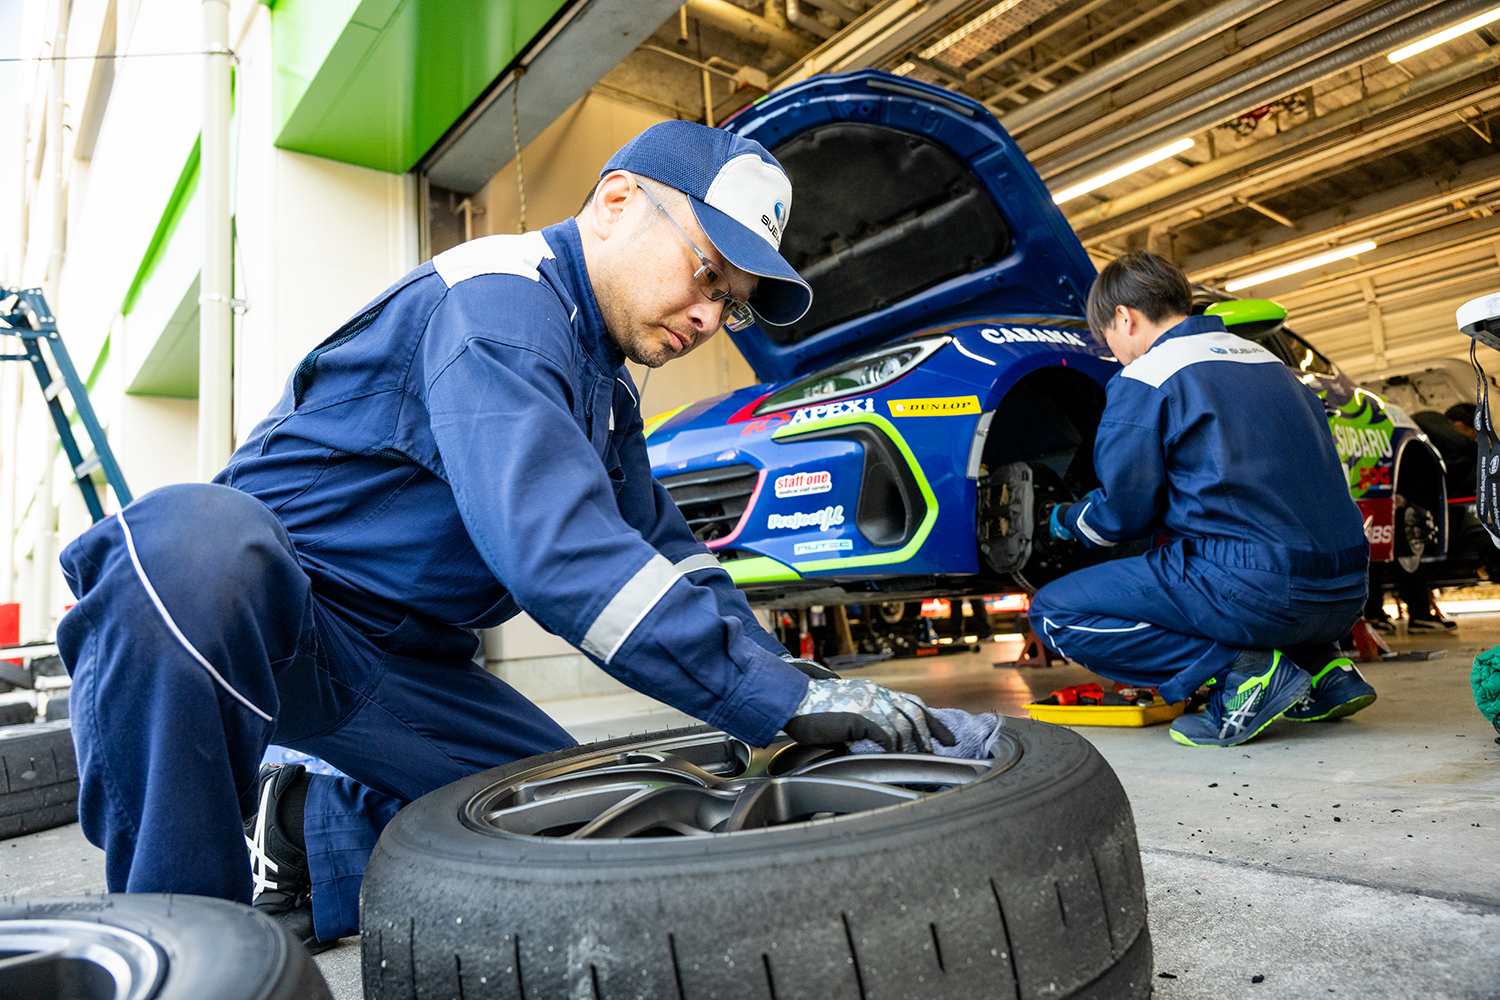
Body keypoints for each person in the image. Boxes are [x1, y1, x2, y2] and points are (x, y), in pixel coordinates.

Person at [56, 121, 952, 952]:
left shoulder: (603, 388)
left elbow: (670, 561)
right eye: (709, 273)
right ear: (614, 204)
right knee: (187, 543)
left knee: (592, 822)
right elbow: (558, 555)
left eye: (737, 304)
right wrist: (773, 702)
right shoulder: (501, 303)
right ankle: (179, 947)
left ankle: (300, 827)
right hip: (262, 620)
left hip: (400, 666)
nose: (712, 316)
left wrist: (802, 682)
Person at [1027, 252, 1377, 747]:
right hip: (1346, 592)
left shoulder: (1147, 377)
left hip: (1261, 592)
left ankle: (1243, 672)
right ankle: (1329, 673)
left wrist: (1064, 519)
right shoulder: (1273, 366)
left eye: (1107, 336)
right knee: (1246, 543)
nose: (1112, 352)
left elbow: (1123, 517)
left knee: (1053, 612)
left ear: (1124, 318)